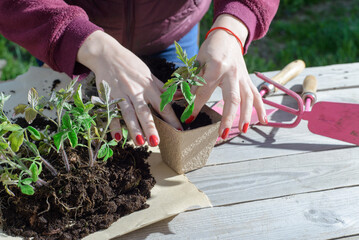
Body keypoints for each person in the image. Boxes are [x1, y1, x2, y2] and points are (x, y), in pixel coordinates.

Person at [0, 0, 279, 147]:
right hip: (72, 42)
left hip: (171, 34)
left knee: (174, 110)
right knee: (59, 126)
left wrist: (235, 22)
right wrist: (88, 44)